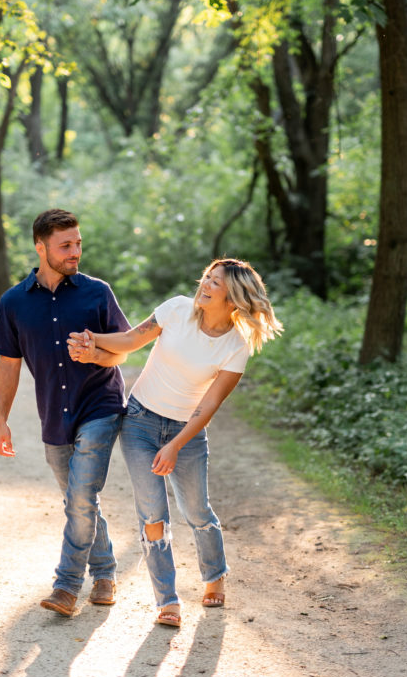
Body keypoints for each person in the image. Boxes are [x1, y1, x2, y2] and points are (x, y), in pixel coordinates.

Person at [67, 258, 283, 628]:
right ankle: (167, 601)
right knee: (153, 515)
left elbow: (209, 404)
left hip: (188, 432)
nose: (206, 285)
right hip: (139, 422)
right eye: (207, 277)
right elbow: (133, 339)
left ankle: (214, 577)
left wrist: (176, 445)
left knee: (198, 512)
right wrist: (94, 338)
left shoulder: (236, 345)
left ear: (234, 299)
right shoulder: (177, 309)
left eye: (216, 283)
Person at [0, 208, 131, 618]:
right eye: (65, 245)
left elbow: (123, 347)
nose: (75, 252)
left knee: (82, 495)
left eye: (78, 244)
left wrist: (97, 351)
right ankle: (105, 572)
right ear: (40, 247)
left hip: (100, 405)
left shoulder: (97, 292)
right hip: (54, 417)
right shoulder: (14, 302)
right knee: (79, 500)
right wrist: (1, 419)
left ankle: (67, 586)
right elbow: (10, 364)